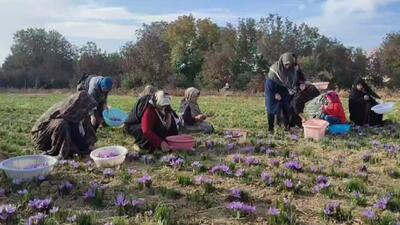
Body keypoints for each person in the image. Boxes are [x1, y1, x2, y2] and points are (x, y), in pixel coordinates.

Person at [31, 91, 97, 159]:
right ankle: (56, 152)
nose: (88, 111)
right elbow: (75, 131)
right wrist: (85, 149)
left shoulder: (81, 111)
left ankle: (73, 148)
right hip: (43, 137)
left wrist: (91, 145)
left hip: (61, 134)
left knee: (83, 121)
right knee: (62, 124)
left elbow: (88, 130)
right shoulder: (69, 110)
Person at [265, 52, 305, 132]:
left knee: (287, 106)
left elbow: (297, 78)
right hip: (272, 88)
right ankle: (270, 128)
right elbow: (269, 85)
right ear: (282, 62)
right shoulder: (274, 70)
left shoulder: (293, 68)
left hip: (283, 89)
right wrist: (274, 94)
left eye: (289, 64)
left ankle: (286, 126)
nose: (287, 66)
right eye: (286, 64)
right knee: (271, 109)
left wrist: (301, 83)